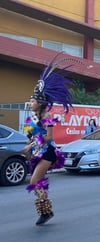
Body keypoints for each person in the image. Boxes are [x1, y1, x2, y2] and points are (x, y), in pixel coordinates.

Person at [23, 54, 73, 226]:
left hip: (48, 152)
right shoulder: (34, 117)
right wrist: (31, 144)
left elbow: (50, 137)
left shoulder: (48, 116)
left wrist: (33, 144)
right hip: (39, 151)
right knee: (39, 182)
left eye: (32, 100)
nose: (30, 102)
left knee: (34, 181)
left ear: (41, 102)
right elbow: (34, 135)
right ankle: (46, 211)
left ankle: (46, 211)